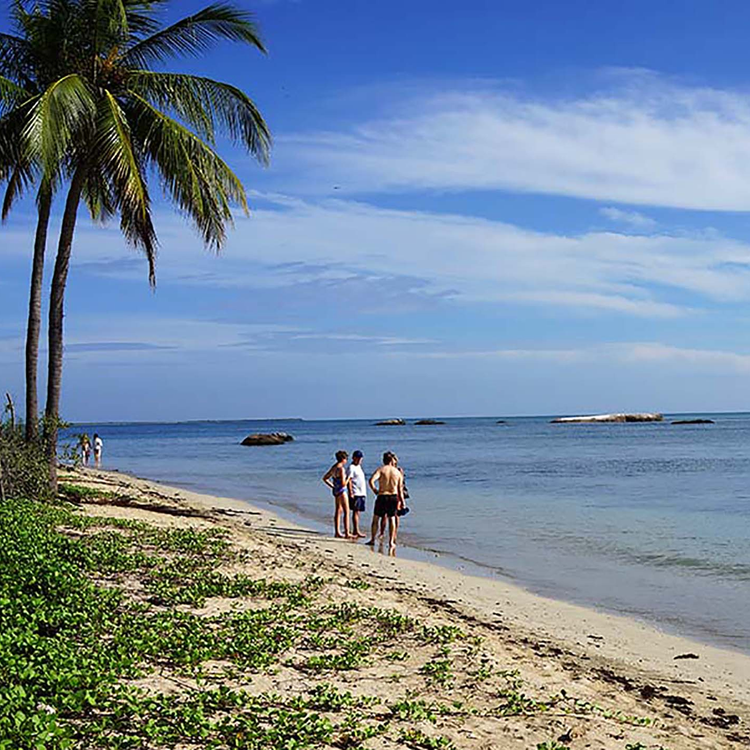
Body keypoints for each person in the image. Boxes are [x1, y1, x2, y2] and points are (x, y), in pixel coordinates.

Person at [366, 451, 405, 552]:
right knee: (392, 519)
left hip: (382, 495)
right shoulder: (397, 472)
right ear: (392, 460)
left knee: (376, 518)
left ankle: (373, 539)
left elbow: (371, 481)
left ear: (383, 460)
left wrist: (375, 490)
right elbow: (400, 490)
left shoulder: (381, 470)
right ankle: (391, 542)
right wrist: (402, 502)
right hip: (393, 496)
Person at [322, 450, 352, 538]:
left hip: (336, 490)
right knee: (346, 511)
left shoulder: (334, 467)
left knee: (338, 511)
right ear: (343, 459)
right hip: (342, 490)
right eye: (346, 459)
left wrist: (333, 486)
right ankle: (347, 532)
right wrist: (348, 478)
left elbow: (325, 478)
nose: (346, 460)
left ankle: (337, 531)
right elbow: (343, 483)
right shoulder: (341, 469)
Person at [348, 450, 367, 538]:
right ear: (353, 458)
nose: (359, 460)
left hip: (361, 492)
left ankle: (356, 529)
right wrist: (351, 491)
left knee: (358, 512)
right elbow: (349, 480)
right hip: (356, 492)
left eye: (360, 458)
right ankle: (356, 530)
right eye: (357, 458)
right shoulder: (351, 467)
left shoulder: (359, 467)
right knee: (356, 512)